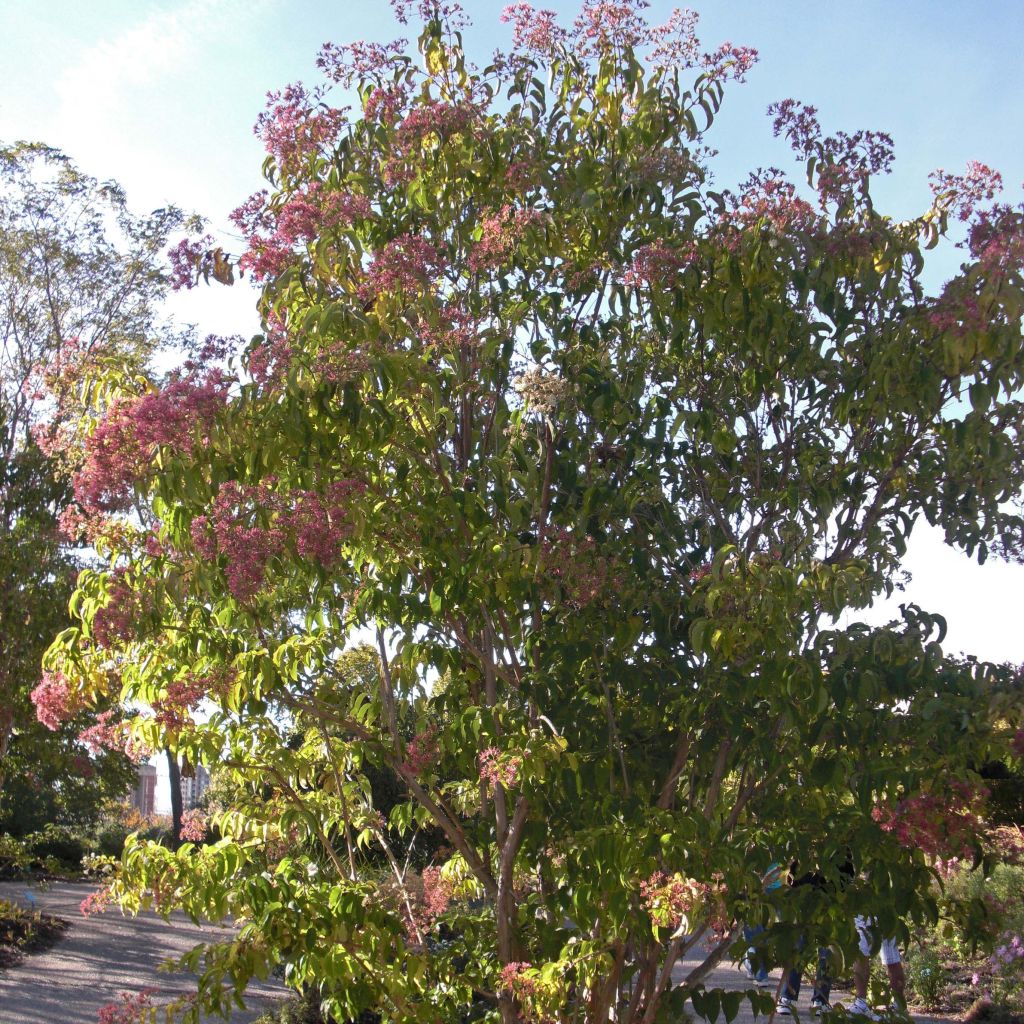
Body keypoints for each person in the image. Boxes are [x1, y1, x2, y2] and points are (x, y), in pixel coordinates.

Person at [848, 916, 907, 1020]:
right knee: (892, 959)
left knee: (861, 956)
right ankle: (899, 1006)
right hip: (886, 914)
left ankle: (861, 1003)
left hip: (864, 914)